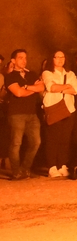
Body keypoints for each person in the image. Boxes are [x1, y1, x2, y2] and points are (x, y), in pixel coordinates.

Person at [4, 49, 44, 180]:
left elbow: (42, 88)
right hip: (16, 114)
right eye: (20, 58)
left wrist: (26, 87)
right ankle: (16, 172)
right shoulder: (10, 76)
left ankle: (25, 169)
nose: (24, 60)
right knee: (16, 143)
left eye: (25, 57)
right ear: (13, 61)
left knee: (36, 142)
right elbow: (18, 93)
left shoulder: (31, 74)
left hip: (32, 114)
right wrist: (32, 88)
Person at [42, 50, 77, 178]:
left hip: (69, 109)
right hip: (54, 108)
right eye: (57, 57)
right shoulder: (47, 73)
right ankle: (52, 166)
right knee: (53, 139)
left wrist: (61, 87)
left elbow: (76, 89)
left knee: (65, 139)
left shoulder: (71, 73)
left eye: (62, 57)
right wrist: (67, 86)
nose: (60, 59)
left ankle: (62, 164)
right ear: (52, 59)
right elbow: (50, 87)